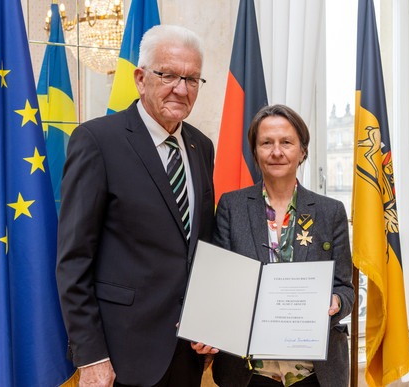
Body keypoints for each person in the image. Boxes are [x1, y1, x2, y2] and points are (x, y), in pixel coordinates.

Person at [56, 25, 215, 387]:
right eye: (169, 74)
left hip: (187, 354)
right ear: (141, 78)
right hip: (119, 357)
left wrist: (209, 324)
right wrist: (92, 355)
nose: (181, 88)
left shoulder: (201, 147)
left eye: (192, 79)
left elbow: (201, 247)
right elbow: (73, 260)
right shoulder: (97, 141)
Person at [208, 104, 355, 387]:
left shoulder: (331, 211)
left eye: (286, 142)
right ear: (255, 152)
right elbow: (220, 286)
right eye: (266, 143)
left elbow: (345, 288)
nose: (277, 152)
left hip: (316, 372)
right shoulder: (231, 206)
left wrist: (335, 302)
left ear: (302, 151)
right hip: (249, 372)